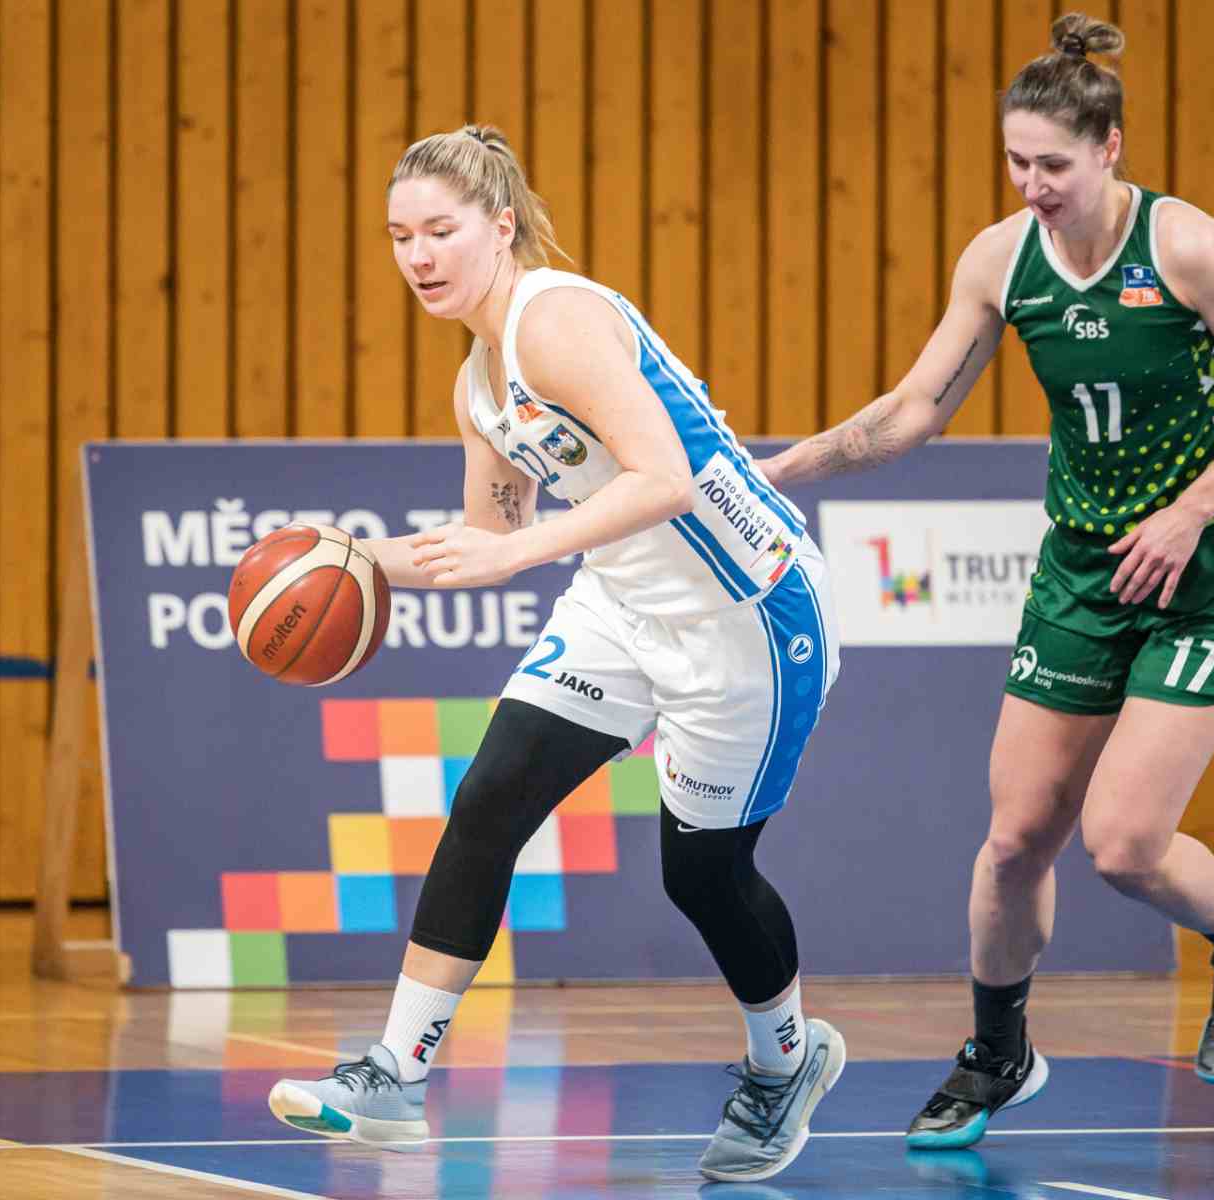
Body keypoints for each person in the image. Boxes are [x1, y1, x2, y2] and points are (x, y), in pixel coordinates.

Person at [759, 12, 1214, 1149]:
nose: (1032, 186)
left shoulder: (1186, 247)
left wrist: (1190, 509)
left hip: (1207, 573)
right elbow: (914, 409)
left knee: (1124, 845)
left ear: (1110, 148)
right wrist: (773, 473)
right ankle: (998, 1053)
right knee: (1015, 840)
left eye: (1053, 164)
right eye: (1016, 162)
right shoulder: (1001, 259)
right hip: (1083, 571)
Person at [264, 125, 844, 1184]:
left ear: (500, 226)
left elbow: (664, 477)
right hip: (621, 602)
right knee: (490, 798)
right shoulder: (478, 383)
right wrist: (344, 558)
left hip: (745, 612)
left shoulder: (557, 318)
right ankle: (393, 1076)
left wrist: (519, 550)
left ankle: (786, 1059)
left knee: (703, 876)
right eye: (399, 237)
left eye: (440, 231)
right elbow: (484, 537)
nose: (419, 256)